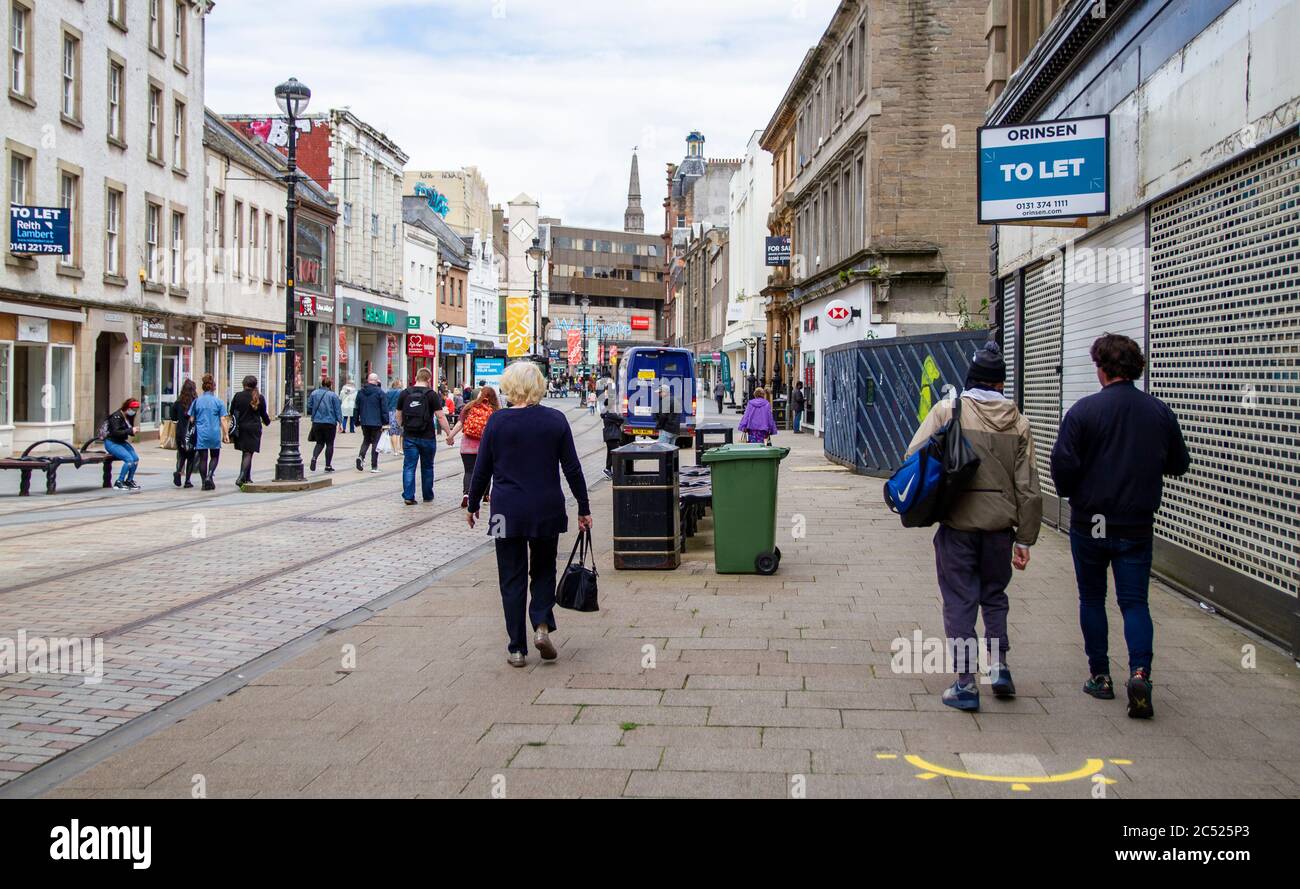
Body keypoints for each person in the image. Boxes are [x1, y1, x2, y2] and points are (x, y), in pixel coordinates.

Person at [1051, 333, 1189, 720]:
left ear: (1102, 368)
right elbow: (1179, 463)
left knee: (1092, 598)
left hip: (1091, 522)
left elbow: (1063, 466)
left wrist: (1074, 491)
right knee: (1134, 603)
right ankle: (1140, 673)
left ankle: (1101, 677)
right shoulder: (1159, 412)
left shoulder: (1083, 412)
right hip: (1135, 524)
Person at [904, 341, 1042, 712]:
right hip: (1000, 529)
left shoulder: (949, 410)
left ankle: (965, 683)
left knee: (960, 601)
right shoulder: (1018, 421)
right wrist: (1025, 540)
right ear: (999, 384)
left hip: (959, 526)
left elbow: (914, 456)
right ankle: (999, 667)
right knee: (994, 597)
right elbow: (1028, 487)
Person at [467, 361, 591, 667]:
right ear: (539, 386)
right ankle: (541, 625)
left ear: (509, 387)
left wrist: (472, 505)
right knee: (544, 569)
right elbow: (572, 468)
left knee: (511, 577)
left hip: (504, 511)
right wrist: (583, 507)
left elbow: (481, 470)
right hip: (545, 506)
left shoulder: (496, 422)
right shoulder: (556, 420)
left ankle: (516, 649)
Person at [396, 367, 451, 504]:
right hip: (427, 436)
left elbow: (398, 414)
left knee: (409, 466)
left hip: (409, 436)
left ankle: (408, 496)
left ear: (416, 377)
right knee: (427, 466)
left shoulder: (405, 393)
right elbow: (440, 416)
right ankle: (427, 495)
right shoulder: (431, 395)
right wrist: (449, 434)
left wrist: (403, 426)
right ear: (429, 379)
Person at [448, 385, 499, 508]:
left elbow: (460, 423)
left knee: (469, 471)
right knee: (486, 471)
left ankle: (466, 494)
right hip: (486, 447)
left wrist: (450, 436)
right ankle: (486, 496)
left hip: (467, 446)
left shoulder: (470, 407)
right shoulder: (495, 410)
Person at [229, 375, 272, 486]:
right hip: (254, 428)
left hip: (241, 428)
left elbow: (231, 411)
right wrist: (267, 422)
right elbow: (264, 414)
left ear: (244, 384)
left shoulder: (238, 396)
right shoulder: (259, 397)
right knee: (248, 453)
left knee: (246, 453)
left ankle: (246, 477)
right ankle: (242, 477)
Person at [189, 373, 227, 490]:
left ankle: (203, 481)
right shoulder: (218, 402)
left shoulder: (197, 401)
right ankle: (210, 475)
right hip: (214, 432)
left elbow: (191, 418)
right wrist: (226, 434)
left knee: (203, 458)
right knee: (215, 456)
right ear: (213, 387)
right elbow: (223, 419)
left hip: (201, 433)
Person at [352, 373, 389, 473]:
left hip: (364, 421)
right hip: (377, 422)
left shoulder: (361, 392)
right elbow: (384, 408)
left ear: (368, 380)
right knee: (375, 443)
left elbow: (356, 408)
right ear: (377, 381)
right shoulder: (380, 392)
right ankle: (374, 466)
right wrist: (386, 421)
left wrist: (356, 421)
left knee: (366, 440)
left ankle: (361, 456)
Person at [103, 398, 142, 491]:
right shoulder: (116, 416)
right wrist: (130, 430)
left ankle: (129, 480)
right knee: (129, 459)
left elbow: (126, 430)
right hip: (112, 442)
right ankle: (119, 481)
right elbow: (115, 432)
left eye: (136, 410)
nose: (134, 411)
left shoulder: (127, 417)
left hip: (120, 441)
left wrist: (132, 431)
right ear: (127, 408)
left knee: (135, 459)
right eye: (133, 409)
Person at [306, 378, 342, 473]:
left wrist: (314, 413)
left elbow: (309, 407)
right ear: (330, 385)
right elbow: (337, 410)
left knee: (319, 443)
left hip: (317, 422)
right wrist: (340, 422)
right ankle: (328, 465)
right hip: (330, 423)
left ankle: (314, 458)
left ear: (321, 384)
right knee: (329, 444)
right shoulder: (333, 395)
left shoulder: (314, 393)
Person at [172, 379, 198, 488]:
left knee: (182, 454)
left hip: (180, 432)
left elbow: (173, 418)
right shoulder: (195, 402)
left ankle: (178, 471)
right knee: (191, 457)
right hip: (192, 433)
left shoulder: (177, 403)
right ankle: (187, 480)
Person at [385, 379, 404, 455]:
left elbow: (386, 403)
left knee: (393, 432)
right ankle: (401, 449)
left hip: (391, 413)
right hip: (400, 412)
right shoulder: (402, 392)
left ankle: (395, 450)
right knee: (402, 432)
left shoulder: (388, 392)